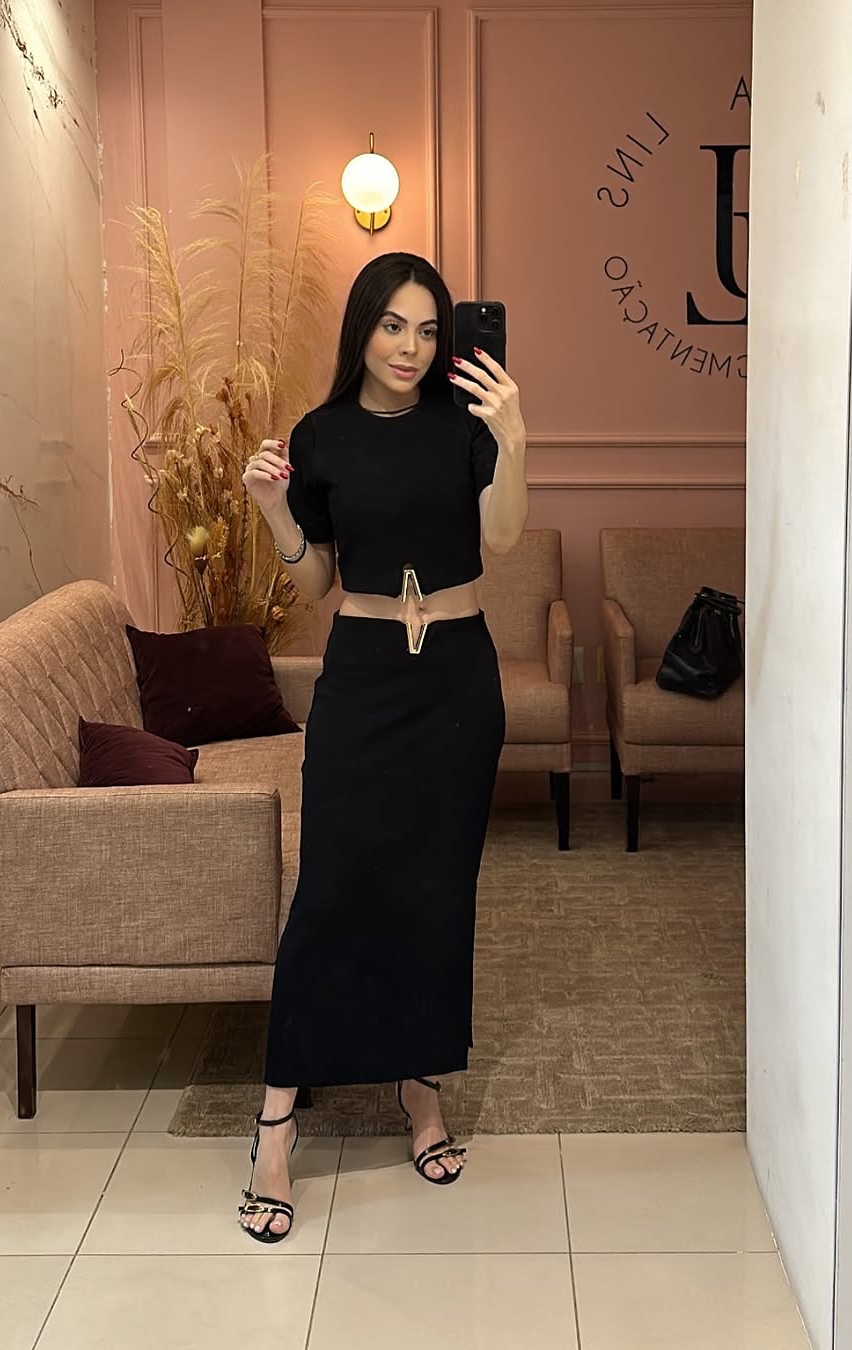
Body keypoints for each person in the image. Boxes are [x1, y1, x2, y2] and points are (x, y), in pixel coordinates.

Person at [236, 252, 528, 1242]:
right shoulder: (319, 436)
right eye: (393, 325)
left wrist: (514, 437)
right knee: (332, 889)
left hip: (457, 680)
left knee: (437, 892)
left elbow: (504, 538)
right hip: (361, 680)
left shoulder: (465, 424)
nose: (411, 346)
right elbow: (317, 582)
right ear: (362, 327)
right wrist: (274, 510)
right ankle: (275, 1125)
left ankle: (422, 1092)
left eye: (429, 329)